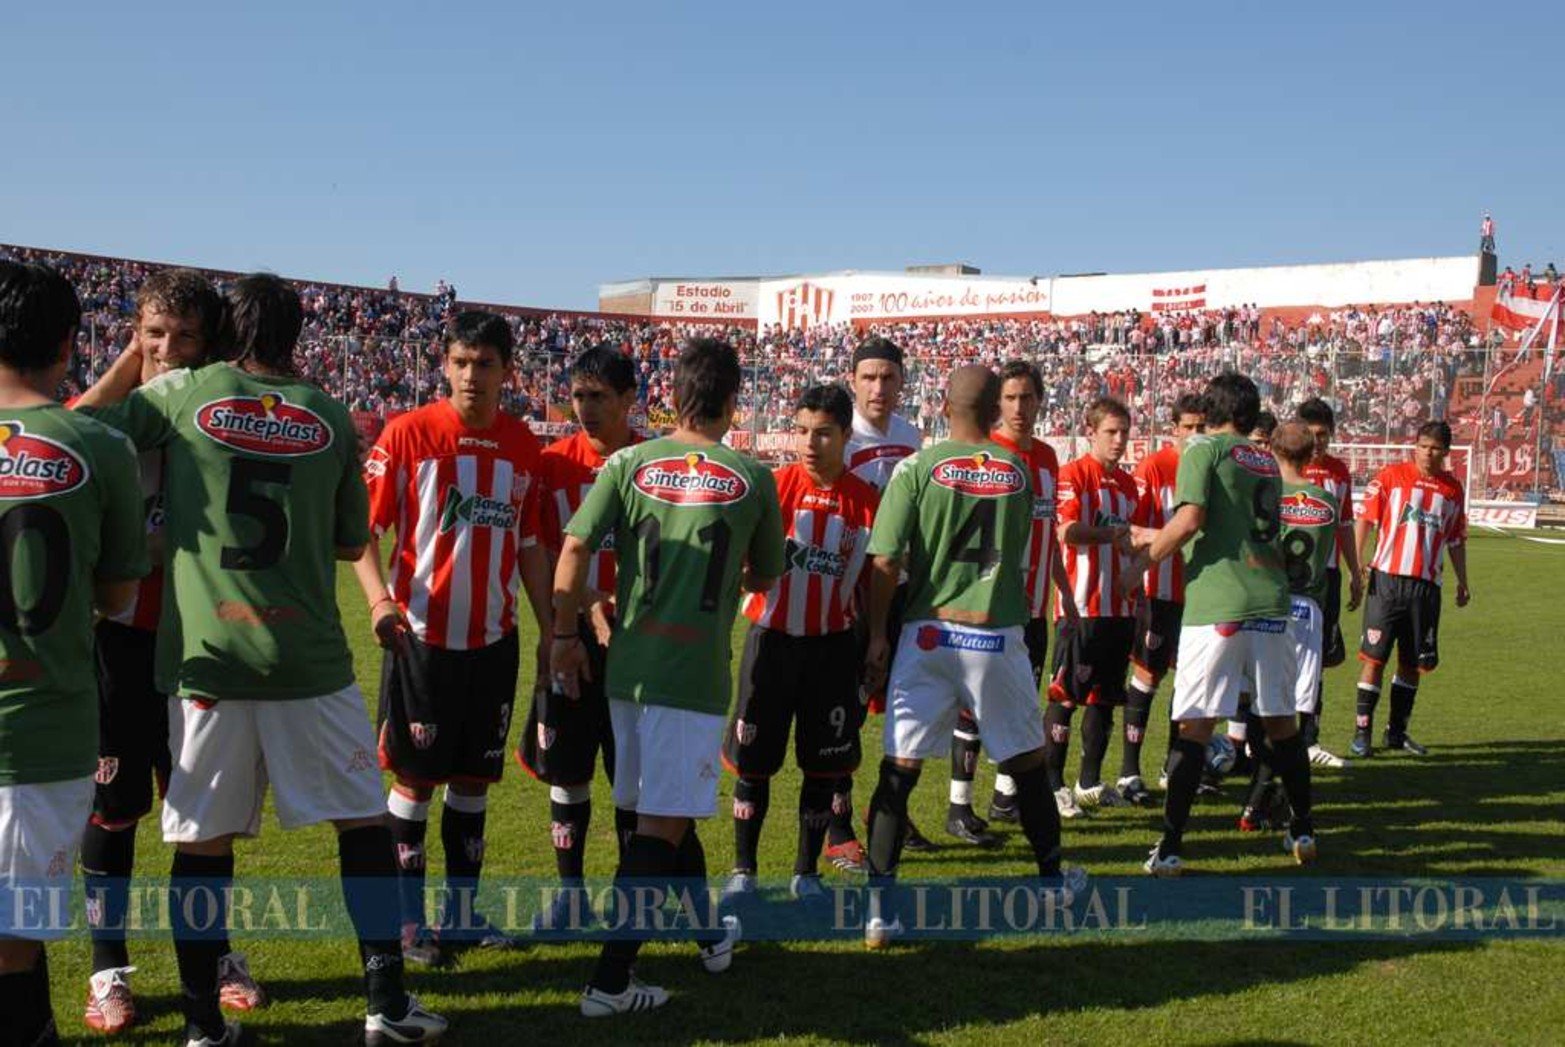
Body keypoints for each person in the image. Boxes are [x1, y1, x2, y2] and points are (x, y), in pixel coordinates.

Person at [78, 274, 446, 1046]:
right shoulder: (327, 413)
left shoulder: (187, 393)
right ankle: (385, 1000)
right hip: (307, 659)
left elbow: (83, 429)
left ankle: (203, 1025)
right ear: (296, 333)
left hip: (209, 660)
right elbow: (352, 537)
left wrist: (133, 358)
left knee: (202, 845)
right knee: (361, 824)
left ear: (221, 332)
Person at [552, 337, 784, 1017]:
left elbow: (573, 548)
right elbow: (766, 575)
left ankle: (709, 933)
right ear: (733, 399)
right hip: (692, 674)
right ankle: (610, 979)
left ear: (671, 394)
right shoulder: (752, 475)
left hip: (629, 669)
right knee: (661, 824)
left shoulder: (627, 462)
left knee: (665, 815)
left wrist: (564, 635)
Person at [76, 269, 269, 1034]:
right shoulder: (115, 414)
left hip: (197, 641)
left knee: (203, 815)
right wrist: (131, 360)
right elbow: (68, 428)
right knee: (114, 807)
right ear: (133, 335)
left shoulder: (209, 416)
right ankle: (107, 966)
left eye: (184, 337)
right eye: (154, 333)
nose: (168, 349)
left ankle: (214, 951)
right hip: (120, 638)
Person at [860, 365, 1086, 948]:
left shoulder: (916, 467)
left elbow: (885, 561)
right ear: (994, 410)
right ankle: (1053, 881)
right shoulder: (1016, 470)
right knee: (1026, 764)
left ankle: (880, 909)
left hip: (929, 633)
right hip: (994, 633)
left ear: (941, 403)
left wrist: (879, 633)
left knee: (900, 769)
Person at [354, 311, 549, 964]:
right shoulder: (408, 434)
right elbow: (361, 531)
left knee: (472, 783)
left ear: (506, 370)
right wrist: (380, 599)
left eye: (485, 363)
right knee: (413, 781)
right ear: (445, 365)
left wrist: (556, 631)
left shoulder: (524, 445)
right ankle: (408, 923)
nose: (472, 375)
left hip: (494, 645)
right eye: (461, 361)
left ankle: (461, 917)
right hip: (422, 642)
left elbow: (527, 545)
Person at [0, 260, 147, 1047]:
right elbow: (118, 598)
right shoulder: (97, 447)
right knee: (14, 937)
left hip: (38, 731)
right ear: (67, 342)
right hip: (41, 725)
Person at [1134, 372, 1317, 875]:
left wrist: (1142, 560)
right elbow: (1226, 527)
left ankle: (1170, 846)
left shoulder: (1202, 450)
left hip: (1219, 606)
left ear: (1212, 408)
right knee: (1281, 723)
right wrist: (1155, 534)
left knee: (1194, 725)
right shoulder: (1266, 461)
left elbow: (1190, 520)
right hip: (1272, 602)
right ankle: (1303, 828)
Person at [721, 383, 879, 903]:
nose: (811, 443)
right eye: (803, 431)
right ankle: (744, 870)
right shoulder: (772, 488)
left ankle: (805, 870)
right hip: (770, 644)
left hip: (832, 648)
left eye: (824, 434)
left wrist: (876, 637)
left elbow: (874, 579)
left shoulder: (866, 501)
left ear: (845, 436)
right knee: (753, 762)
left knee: (824, 765)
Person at [520, 346, 643, 933]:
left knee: (632, 772)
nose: (586, 408)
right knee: (568, 769)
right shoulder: (552, 466)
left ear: (628, 400)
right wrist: (556, 628)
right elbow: (542, 552)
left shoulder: (654, 464)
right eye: (579, 396)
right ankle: (571, 894)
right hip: (570, 638)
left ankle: (628, 893)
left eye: (599, 397)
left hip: (640, 643)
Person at [830, 337, 932, 867]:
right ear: (854, 380)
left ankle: (888, 809)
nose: (879, 387)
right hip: (850, 595)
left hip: (901, 592)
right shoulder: (841, 439)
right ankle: (838, 824)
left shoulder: (911, 436)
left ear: (901, 382)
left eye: (888, 378)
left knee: (902, 707)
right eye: (869, 377)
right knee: (842, 713)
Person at [980, 361, 1075, 828]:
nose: (1020, 407)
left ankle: (1003, 796)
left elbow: (1051, 529)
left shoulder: (1048, 457)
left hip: (1036, 607)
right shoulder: (987, 453)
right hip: (993, 607)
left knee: (1023, 702)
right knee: (974, 705)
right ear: (998, 403)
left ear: (1040, 400)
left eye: (1028, 397)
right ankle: (960, 803)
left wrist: (1067, 595)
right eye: (1011, 397)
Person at [1046, 397, 1147, 816]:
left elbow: (1134, 539)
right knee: (1065, 697)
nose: (1119, 440)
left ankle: (1089, 781)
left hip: (1118, 611)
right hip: (1080, 608)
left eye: (1124, 432)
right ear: (1091, 432)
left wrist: (1138, 577)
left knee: (1104, 699)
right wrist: (1116, 535)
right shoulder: (1073, 475)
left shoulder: (1126, 485)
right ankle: (1052, 786)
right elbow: (1066, 532)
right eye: (1111, 431)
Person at [1238, 422, 1341, 831]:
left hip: (1267, 603)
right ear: (1312, 453)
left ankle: (1258, 800)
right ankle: (1266, 800)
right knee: (1292, 715)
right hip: (1308, 610)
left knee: (1260, 709)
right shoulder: (1326, 501)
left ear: (1272, 451)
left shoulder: (1263, 496)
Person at [1350, 420, 1470, 758]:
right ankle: (1362, 732)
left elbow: (1457, 540)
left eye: (1434, 448)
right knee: (1374, 659)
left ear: (1446, 452)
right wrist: (1358, 562)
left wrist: (1463, 580)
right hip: (1387, 581)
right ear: (1414, 445)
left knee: (1411, 663)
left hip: (1427, 587)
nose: (1427, 453)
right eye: (1422, 446)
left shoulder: (1452, 490)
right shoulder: (1390, 477)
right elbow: (1365, 519)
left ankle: (1397, 733)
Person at [1122, 393, 1205, 807]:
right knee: (1147, 677)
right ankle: (1128, 771)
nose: (1194, 434)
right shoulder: (1154, 467)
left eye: (1201, 427)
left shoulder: (1210, 468)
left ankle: (1174, 769)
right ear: (1174, 428)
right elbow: (1134, 526)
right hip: (1158, 591)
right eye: (1187, 426)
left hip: (1202, 595)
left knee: (1190, 683)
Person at [1296, 397, 1366, 767]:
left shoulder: (1339, 472)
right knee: (1273, 654)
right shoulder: (1286, 466)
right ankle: (1253, 739)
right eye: (1310, 434)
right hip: (1287, 577)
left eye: (1323, 435)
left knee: (1317, 658)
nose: (1317, 441)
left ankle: (1309, 739)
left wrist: (1355, 572)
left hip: (1327, 577)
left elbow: (1344, 525)